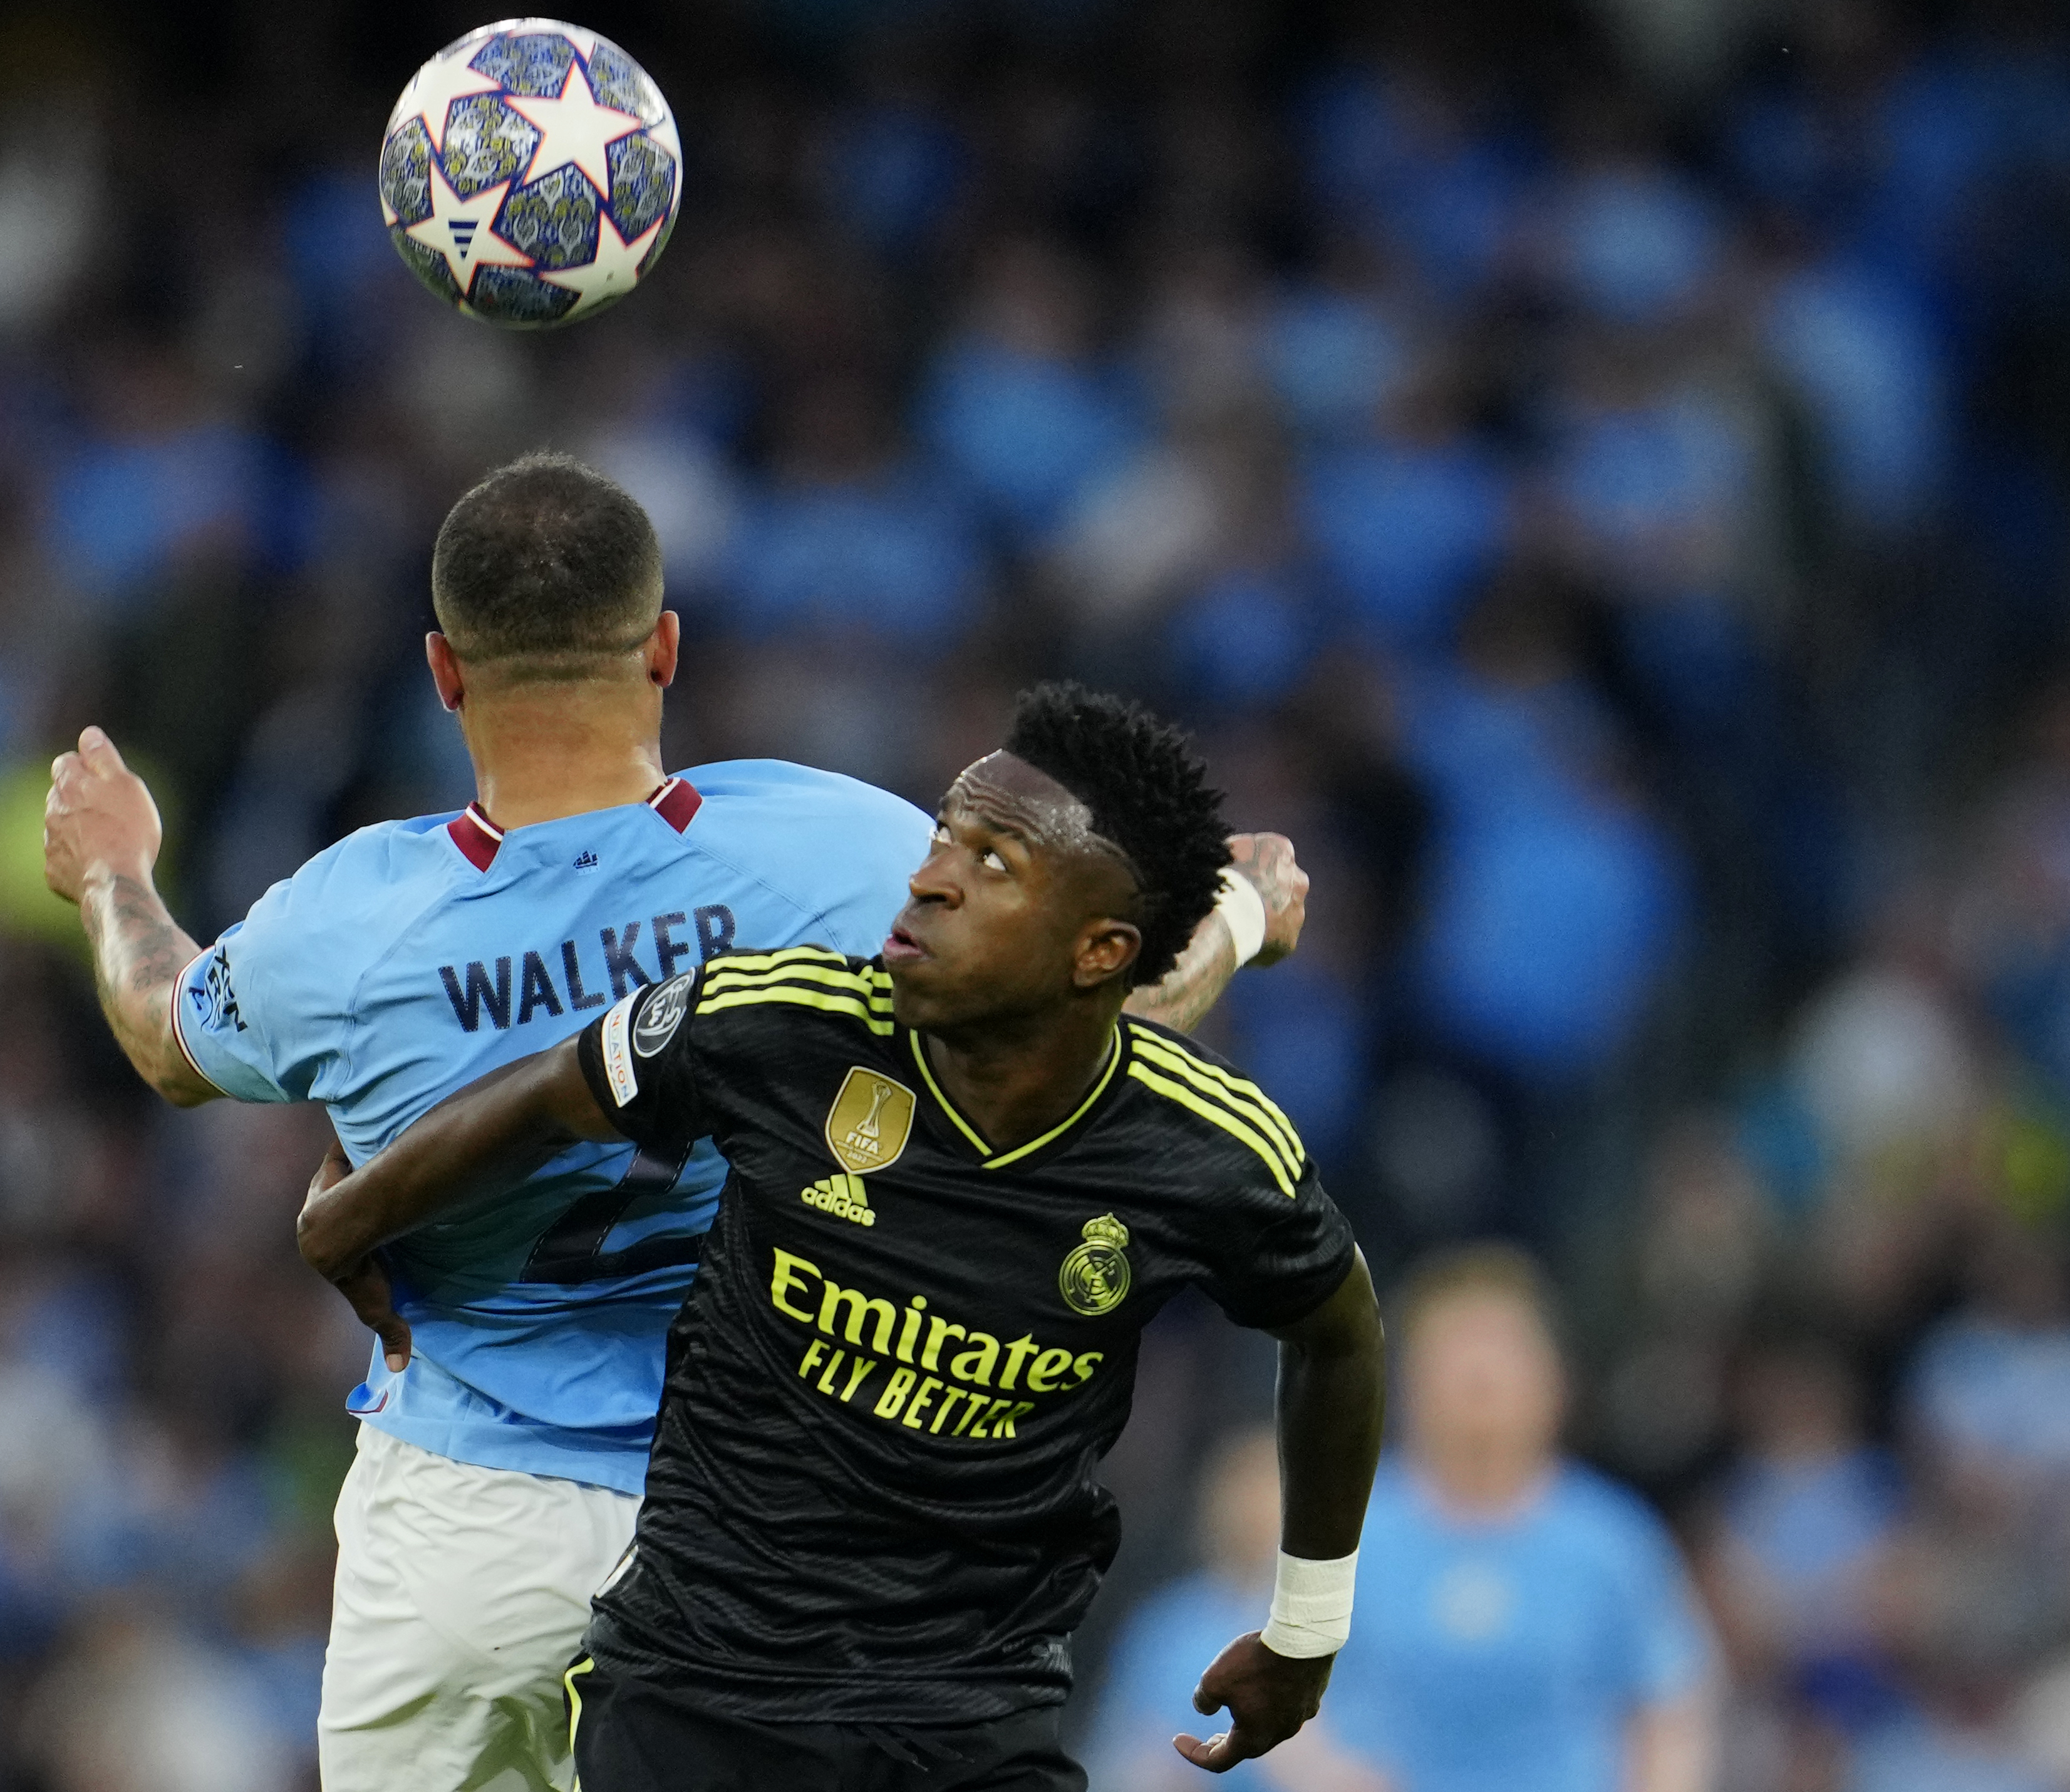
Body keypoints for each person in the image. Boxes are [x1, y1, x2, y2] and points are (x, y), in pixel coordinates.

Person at [41, 456, 1310, 1791]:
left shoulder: (345, 919)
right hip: (756, 1539)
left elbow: (164, 1029)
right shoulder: (839, 852)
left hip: (463, 1539)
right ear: (663, 646)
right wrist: (1238, 915)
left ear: (443, 670)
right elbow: (1098, 1016)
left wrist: (116, 868)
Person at [299, 682, 1385, 1790]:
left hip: (975, 1717)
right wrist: (345, 1223)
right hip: (701, 1697)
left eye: (991, 862)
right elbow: (547, 1094)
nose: (928, 877)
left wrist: (1306, 1628)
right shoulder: (773, 1026)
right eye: (944, 835)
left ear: (1101, 949)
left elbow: (1340, 1333)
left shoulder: (1207, 1151)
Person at [1286, 1246, 1719, 1792]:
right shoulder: (1334, 1533)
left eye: (1502, 1350)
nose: (1479, 1375)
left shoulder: (1612, 1542)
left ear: (1554, 1377)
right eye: (1454, 1352)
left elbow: (1671, 1709)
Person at [1088, 1427, 1304, 1792]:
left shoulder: (1342, 1626)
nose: (1253, 1509)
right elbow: (1118, 1752)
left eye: (1270, 1489)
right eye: (1241, 1490)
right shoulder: (1166, 1627)